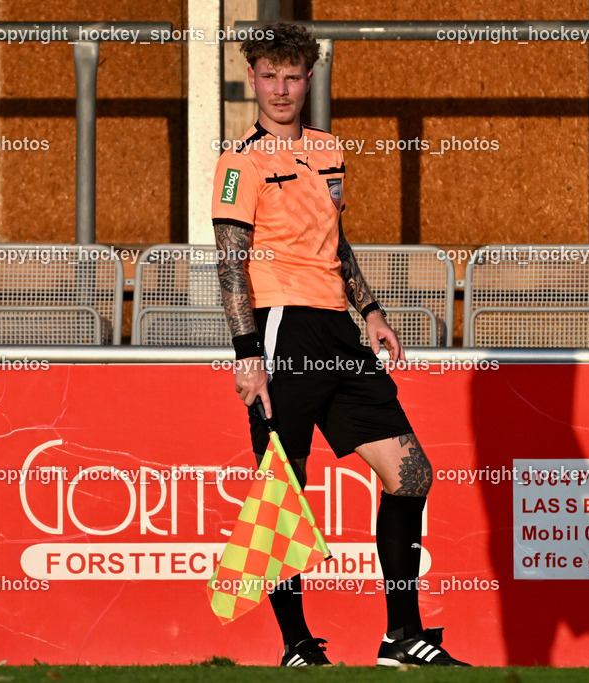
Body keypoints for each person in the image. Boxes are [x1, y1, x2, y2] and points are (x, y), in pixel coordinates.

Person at [211, 22, 469, 667]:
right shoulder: (238, 159)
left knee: (410, 474)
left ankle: (402, 638)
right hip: (278, 329)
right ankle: (297, 645)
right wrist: (247, 352)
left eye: (292, 76)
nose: (279, 89)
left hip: (338, 330)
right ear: (252, 80)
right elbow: (228, 262)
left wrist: (371, 308)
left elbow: (335, 243)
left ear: (308, 79)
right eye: (268, 76)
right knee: (283, 491)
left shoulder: (328, 149)